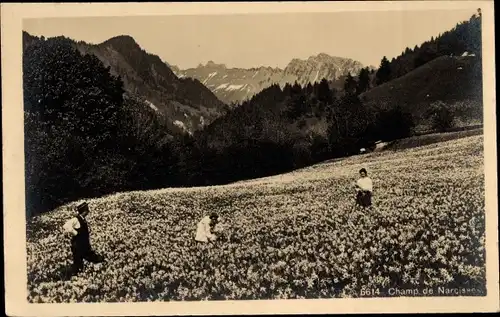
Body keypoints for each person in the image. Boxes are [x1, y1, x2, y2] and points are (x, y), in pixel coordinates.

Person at [63, 202, 104, 276]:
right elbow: (66, 226)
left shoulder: (82, 219)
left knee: (94, 258)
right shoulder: (76, 219)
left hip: (84, 245)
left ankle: (95, 269)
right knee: (78, 265)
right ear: (84, 210)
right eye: (87, 209)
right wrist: (75, 233)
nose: (88, 211)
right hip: (77, 246)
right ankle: (69, 275)